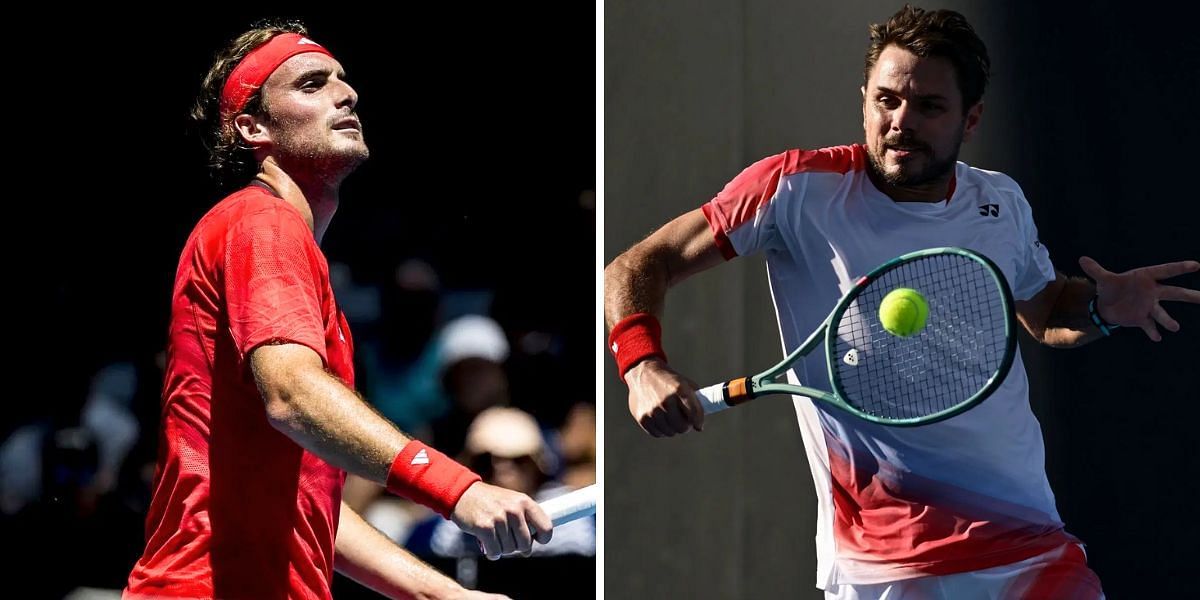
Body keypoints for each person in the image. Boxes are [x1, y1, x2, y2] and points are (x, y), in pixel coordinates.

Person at [603, 5, 1199, 599]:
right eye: (886, 100)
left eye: (929, 106)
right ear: (864, 97)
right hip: (885, 568)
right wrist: (641, 365)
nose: (900, 121)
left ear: (972, 120)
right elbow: (635, 265)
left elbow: (1044, 314)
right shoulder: (794, 189)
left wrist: (1098, 307)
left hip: (1027, 542)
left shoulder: (1002, 202)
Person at [124, 20, 551, 600]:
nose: (346, 93)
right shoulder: (261, 222)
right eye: (311, 84)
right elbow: (293, 395)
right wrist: (457, 489)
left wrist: (439, 593)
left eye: (344, 82)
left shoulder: (279, 247)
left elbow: (308, 500)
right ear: (253, 128)